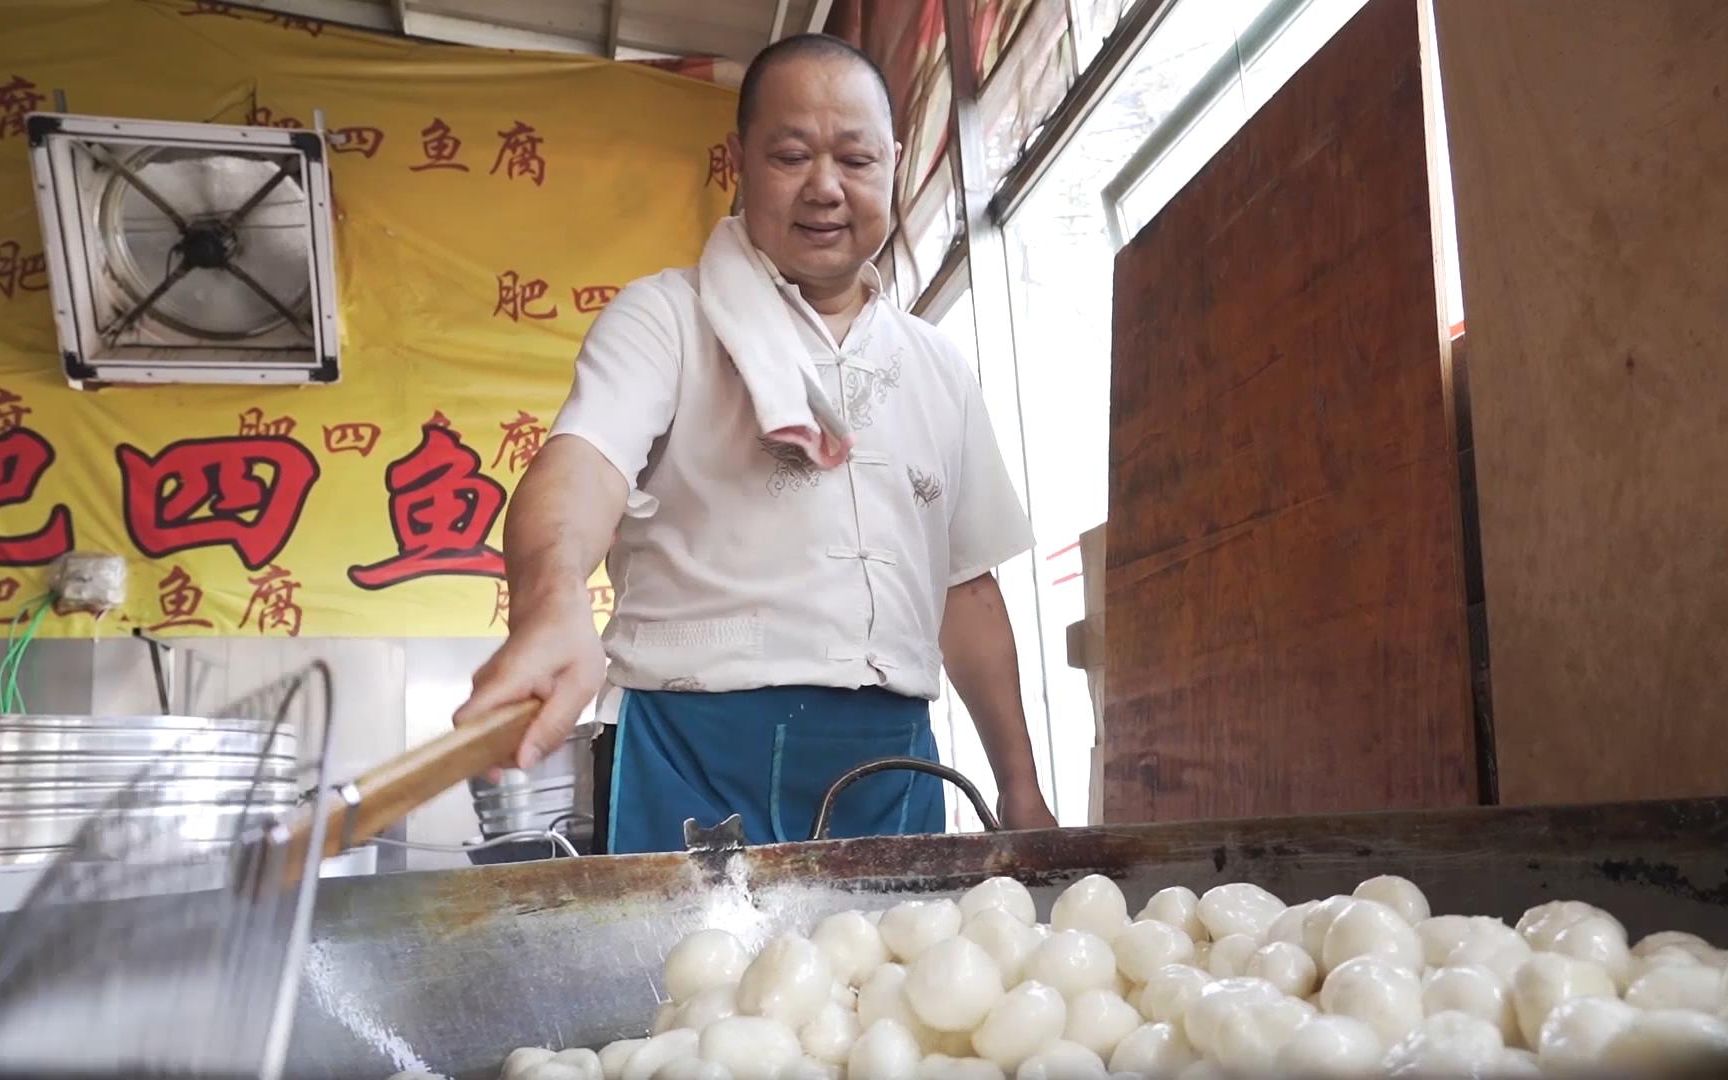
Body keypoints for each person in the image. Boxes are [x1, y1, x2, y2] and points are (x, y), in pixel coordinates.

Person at [454, 33, 1057, 853]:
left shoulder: (937, 365)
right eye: (791, 155)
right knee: (690, 980)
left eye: (854, 158)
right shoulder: (667, 317)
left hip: (896, 763)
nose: (825, 188)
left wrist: (1019, 787)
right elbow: (582, 463)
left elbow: (967, 591)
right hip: (695, 753)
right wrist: (552, 595)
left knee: (898, 978)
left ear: (893, 160)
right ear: (741, 159)